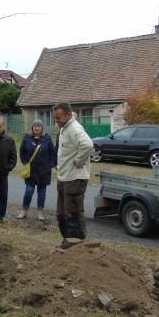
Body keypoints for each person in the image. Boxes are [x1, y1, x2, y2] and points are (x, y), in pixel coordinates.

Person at [52, 102, 93, 249]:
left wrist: (79, 161)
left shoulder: (75, 129)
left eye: (58, 118)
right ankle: (67, 243)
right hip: (64, 178)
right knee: (61, 214)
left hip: (75, 180)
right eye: (55, 118)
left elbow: (88, 145)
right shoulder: (64, 128)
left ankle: (78, 248)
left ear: (68, 115)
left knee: (73, 214)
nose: (56, 121)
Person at [17, 120, 57, 221]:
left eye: (39, 126)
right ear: (32, 127)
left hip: (44, 172)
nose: (37, 128)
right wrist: (25, 162)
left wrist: (50, 165)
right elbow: (22, 152)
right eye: (35, 126)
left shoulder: (47, 139)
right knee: (28, 191)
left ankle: (40, 212)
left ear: (42, 128)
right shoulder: (27, 138)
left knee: (42, 193)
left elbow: (53, 153)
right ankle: (24, 211)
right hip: (31, 171)